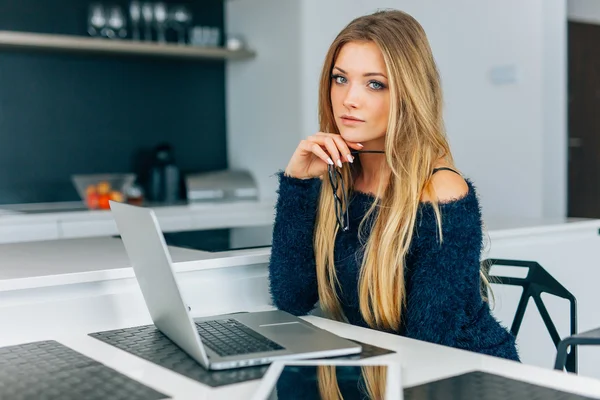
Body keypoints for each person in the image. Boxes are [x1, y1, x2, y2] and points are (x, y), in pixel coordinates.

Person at [268, 9, 520, 361]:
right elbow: (291, 298)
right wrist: (298, 183)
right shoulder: (337, 177)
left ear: (409, 93)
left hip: (465, 375)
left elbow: (429, 346)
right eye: (340, 79)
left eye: (375, 84)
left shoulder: (442, 193)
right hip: (381, 370)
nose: (348, 99)